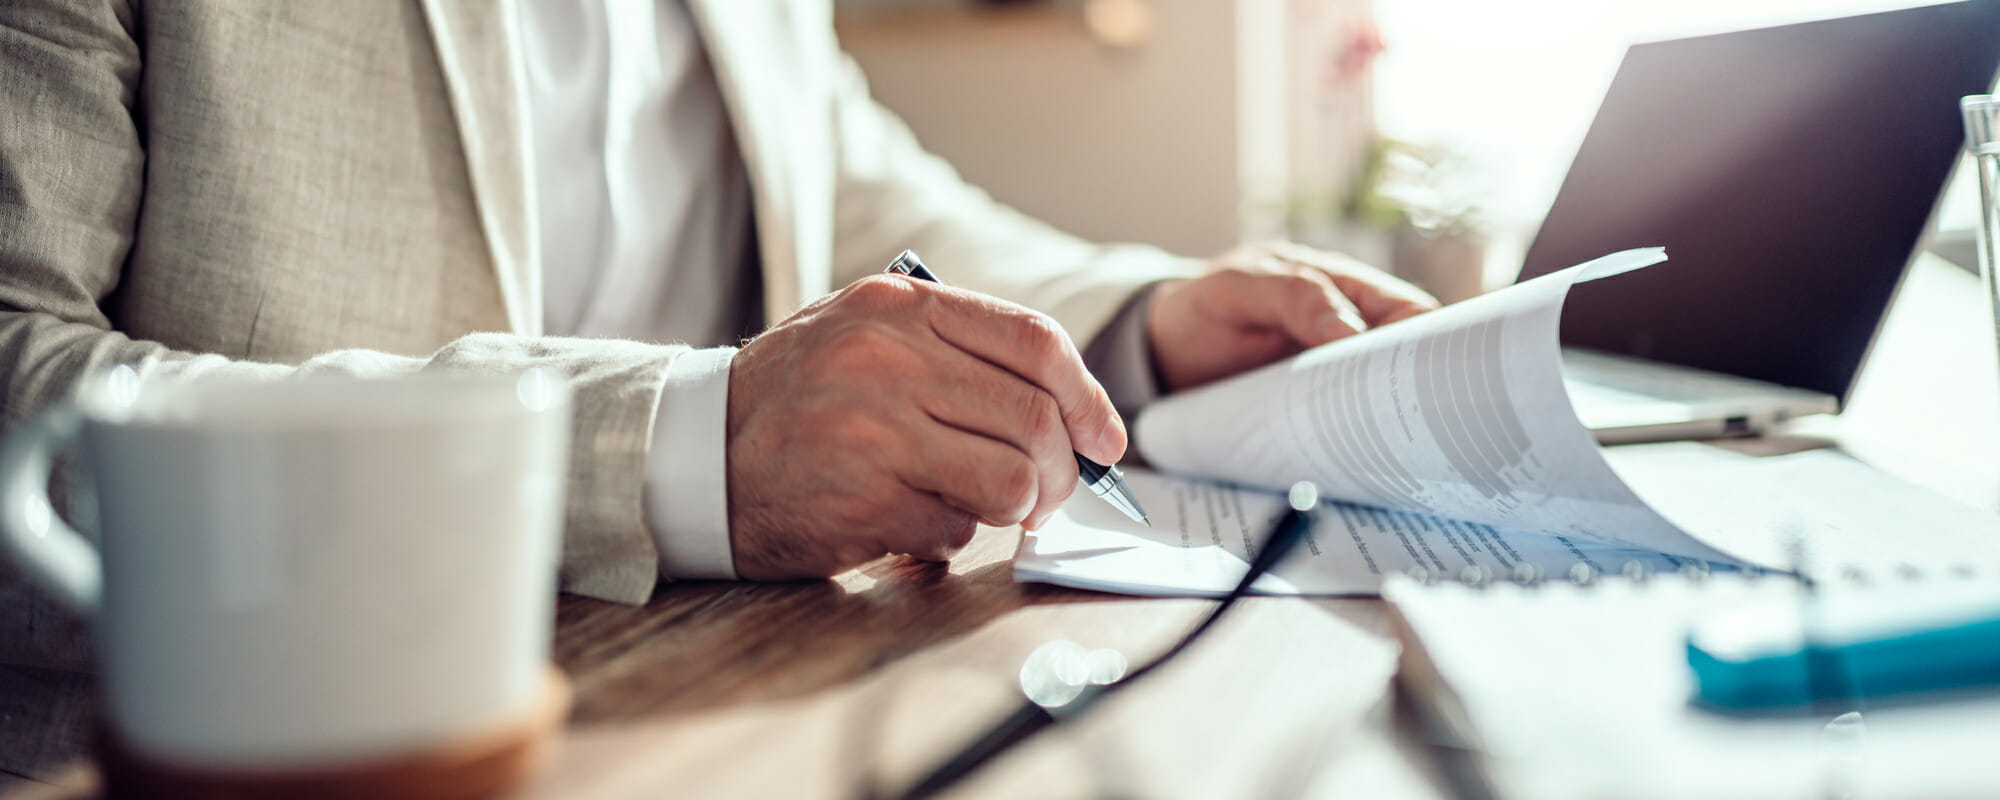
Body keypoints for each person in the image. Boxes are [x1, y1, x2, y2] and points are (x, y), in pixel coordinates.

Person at [0, 0, 1435, 772]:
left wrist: (1149, 317)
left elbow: (869, 203)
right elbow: (22, 376)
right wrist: (686, 447)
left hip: (733, 709)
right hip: (273, 752)